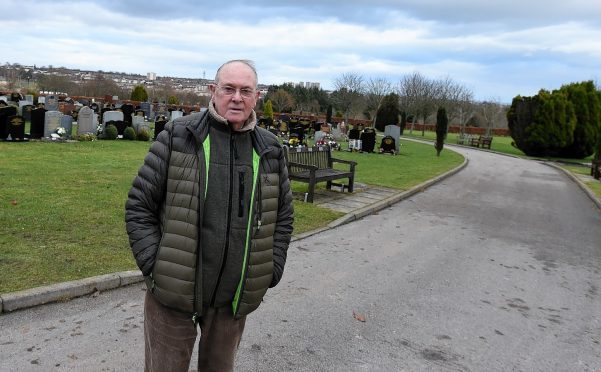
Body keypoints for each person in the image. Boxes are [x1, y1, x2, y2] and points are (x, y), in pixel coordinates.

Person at [125, 59, 294, 371]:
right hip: (173, 298)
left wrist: (272, 268)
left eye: (246, 90)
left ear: (257, 97)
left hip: (231, 303)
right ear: (213, 91)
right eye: (229, 89)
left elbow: (282, 215)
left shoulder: (269, 148)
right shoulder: (179, 136)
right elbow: (139, 205)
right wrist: (156, 266)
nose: (237, 97)